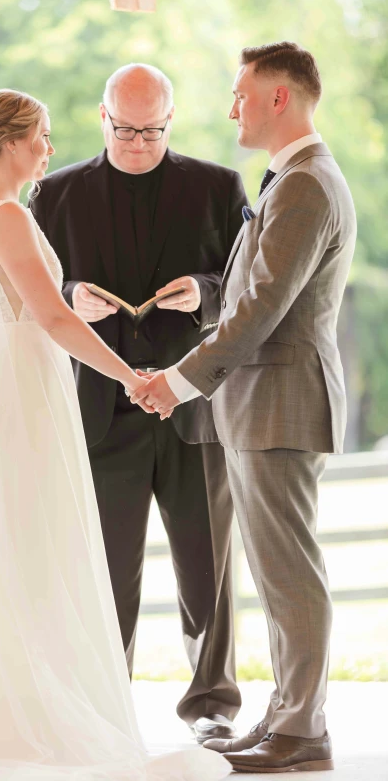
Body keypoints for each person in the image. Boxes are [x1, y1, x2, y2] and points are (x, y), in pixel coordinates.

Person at [0, 89, 231, 781]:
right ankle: (15, 705)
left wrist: (72, 307)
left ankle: (10, 692)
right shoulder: (4, 213)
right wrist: (132, 376)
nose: (50, 150)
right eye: (42, 137)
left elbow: (43, 308)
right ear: (8, 142)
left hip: (6, 370)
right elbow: (54, 321)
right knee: (22, 534)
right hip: (14, 381)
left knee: (8, 534)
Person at [131, 42, 356, 773]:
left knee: (289, 571)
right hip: (263, 403)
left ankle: (303, 731)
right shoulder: (293, 180)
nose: (231, 108)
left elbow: (258, 309)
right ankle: (287, 717)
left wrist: (178, 378)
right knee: (277, 568)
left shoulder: (306, 185)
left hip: (280, 403)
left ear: (279, 99)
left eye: (240, 94)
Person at [30, 64, 247, 743]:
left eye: (151, 130)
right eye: (125, 129)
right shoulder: (55, 194)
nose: (137, 141)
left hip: (192, 407)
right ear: (101, 117)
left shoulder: (218, 186)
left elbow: (245, 287)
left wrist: (204, 293)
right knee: (104, 571)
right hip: (101, 411)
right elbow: (33, 291)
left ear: (172, 119)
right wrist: (70, 300)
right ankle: (102, 705)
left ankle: (213, 703)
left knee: (208, 566)